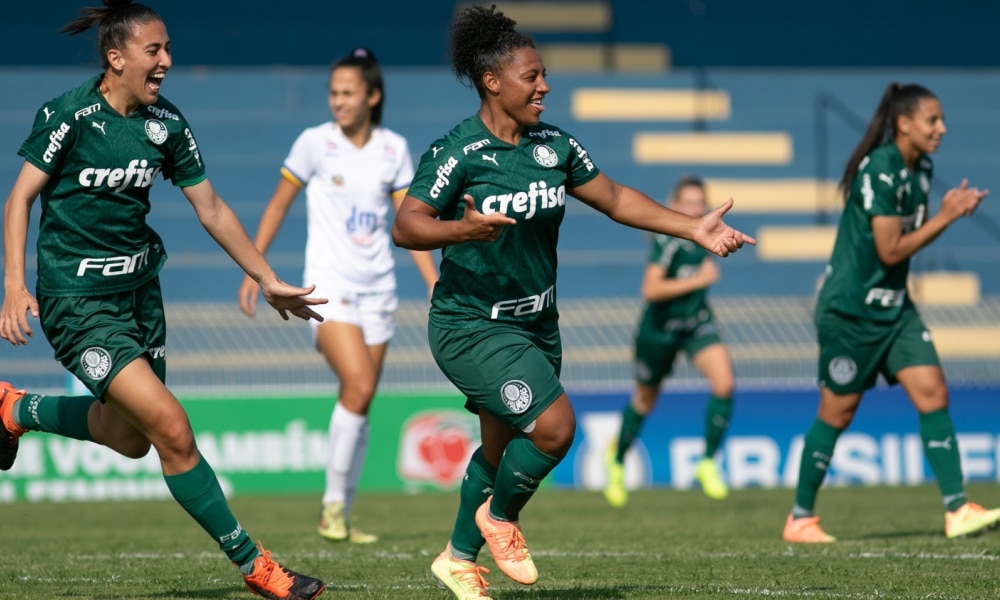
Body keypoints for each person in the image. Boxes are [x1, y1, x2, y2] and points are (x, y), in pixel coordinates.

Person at [390, 6, 754, 599]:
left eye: (544, 75)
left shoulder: (554, 145)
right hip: (471, 325)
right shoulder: (458, 151)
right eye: (531, 76)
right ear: (492, 81)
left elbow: (615, 198)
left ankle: (457, 559)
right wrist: (463, 229)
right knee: (556, 429)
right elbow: (406, 225)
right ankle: (500, 519)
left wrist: (692, 227)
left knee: (499, 449)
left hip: (537, 325)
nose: (545, 86)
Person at [0, 2, 327, 598]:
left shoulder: (166, 123)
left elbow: (212, 208)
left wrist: (265, 277)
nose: (167, 61)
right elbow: (19, 198)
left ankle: (16, 410)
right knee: (173, 429)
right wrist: (15, 284)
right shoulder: (69, 116)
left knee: (128, 438)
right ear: (116, 57)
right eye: (154, 50)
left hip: (140, 299)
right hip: (78, 305)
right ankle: (255, 564)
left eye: (168, 49)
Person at [237, 47, 438, 544]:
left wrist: (433, 281)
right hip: (329, 289)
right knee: (360, 385)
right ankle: (331, 507)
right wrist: (255, 270)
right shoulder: (314, 143)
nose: (339, 101)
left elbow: (409, 223)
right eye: (334, 93)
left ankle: (342, 515)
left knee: (360, 399)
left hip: (379, 291)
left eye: (348, 93)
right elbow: (277, 206)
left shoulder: (394, 148)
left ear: (373, 96)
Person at [782, 82, 998, 544]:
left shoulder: (922, 168)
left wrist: (942, 217)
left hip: (896, 309)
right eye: (932, 120)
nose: (942, 128)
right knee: (837, 413)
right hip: (851, 312)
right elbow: (890, 249)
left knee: (933, 392)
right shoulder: (880, 168)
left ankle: (958, 509)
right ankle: (800, 518)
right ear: (903, 124)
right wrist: (946, 217)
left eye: (942, 120)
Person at [603, 175, 735, 508]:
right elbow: (651, 289)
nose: (694, 208)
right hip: (659, 331)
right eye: (687, 202)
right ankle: (616, 462)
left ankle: (707, 462)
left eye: (699, 202)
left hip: (696, 323)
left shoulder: (707, 235)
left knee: (724, 383)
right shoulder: (668, 241)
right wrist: (699, 280)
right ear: (674, 205)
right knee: (645, 401)